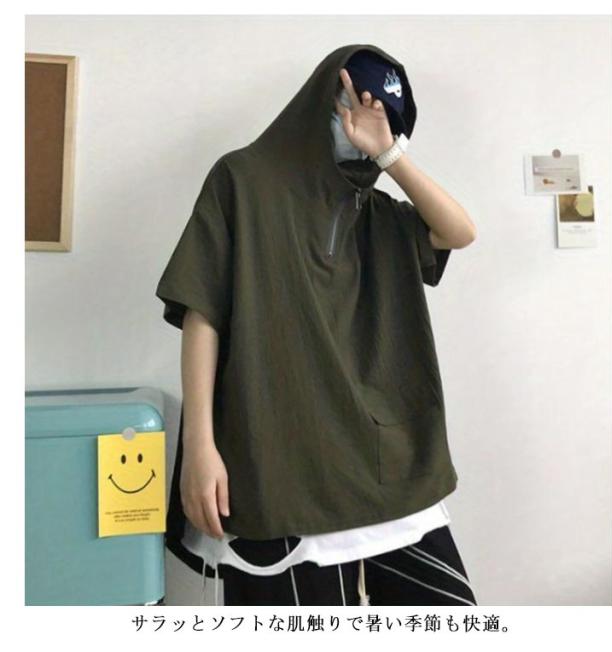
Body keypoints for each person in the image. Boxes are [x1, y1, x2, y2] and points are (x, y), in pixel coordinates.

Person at [156, 44, 478, 606]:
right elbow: (202, 312)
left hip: (384, 465)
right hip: (277, 464)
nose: (358, 122)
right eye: (352, 103)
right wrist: (200, 445)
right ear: (321, 98)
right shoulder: (244, 180)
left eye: (383, 118)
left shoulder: (377, 213)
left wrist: (389, 156)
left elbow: (460, 231)